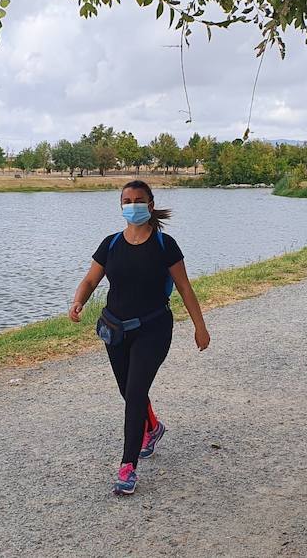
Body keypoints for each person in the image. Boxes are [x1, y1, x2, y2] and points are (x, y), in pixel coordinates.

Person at [68, 180, 211, 496]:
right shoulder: (111, 244)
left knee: (134, 394)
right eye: (126, 200)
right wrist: (79, 299)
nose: (131, 205)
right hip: (115, 330)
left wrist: (200, 326)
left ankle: (127, 467)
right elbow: (91, 279)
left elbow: (185, 288)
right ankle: (153, 427)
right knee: (128, 391)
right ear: (120, 205)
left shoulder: (165, 245)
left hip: (153, 329)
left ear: (150, 204)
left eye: (138, 200)